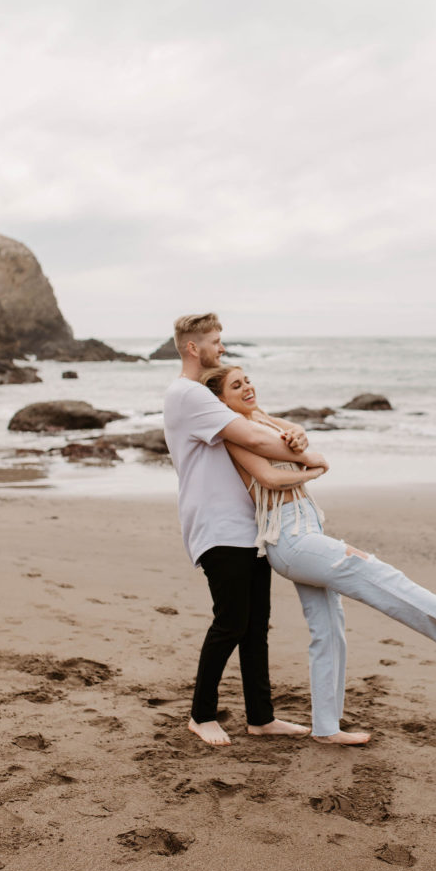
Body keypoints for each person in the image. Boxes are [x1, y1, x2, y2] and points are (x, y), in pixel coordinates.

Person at [201, 364, 436, 746]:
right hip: (286, 537)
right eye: (236, 386)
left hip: (308, 526)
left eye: (248, 380)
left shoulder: (266, 420)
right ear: (221, 399)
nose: (247, 387)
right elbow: (271, 479)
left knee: (329, 629)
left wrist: (302, 441)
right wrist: (313, 471)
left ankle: (326, 727)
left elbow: (301, 441)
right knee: (377, 571)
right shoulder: (235, 435)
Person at [163, 313, 330, 747]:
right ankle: (201, 715)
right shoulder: (189, 395)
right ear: (191, 348)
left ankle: (261, 717)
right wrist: (308, 456)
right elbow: (255, 442)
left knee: (256, 625)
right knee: (231, 621)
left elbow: (257, 423)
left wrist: (292, 433)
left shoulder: (206, 398)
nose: (222, 347)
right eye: (215, 342)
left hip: (248, 527)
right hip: (217, 527)